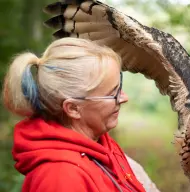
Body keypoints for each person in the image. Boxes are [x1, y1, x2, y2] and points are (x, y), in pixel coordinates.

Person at [2, 37, 159, 192]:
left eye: (120, 86)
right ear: (73, 108)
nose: (124, 98)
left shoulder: (100, 144)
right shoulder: (59, 179)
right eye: (113, 93)